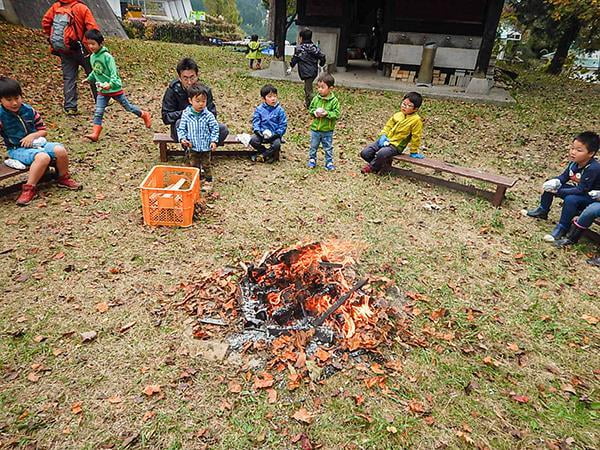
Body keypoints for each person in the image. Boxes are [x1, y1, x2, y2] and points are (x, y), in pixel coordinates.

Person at [0, 77, 81, 206]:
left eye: (17, 98)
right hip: (17, 149)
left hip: (38, 143)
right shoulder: (1, 116)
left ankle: (63, 178)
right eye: (9, 100)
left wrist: (33, 136)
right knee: (43, 158)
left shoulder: (29, 110)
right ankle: (29, 188)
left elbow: (43, 130)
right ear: (1, 100)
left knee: (60, 150)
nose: (14, 103)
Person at [523, 131, 600, 241]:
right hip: (580, 192)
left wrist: (559, 192)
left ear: (591, 153)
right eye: (572, 148)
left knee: (571, 199)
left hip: (592, 197)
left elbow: (582, 189)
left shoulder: (593, 168)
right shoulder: (574, 163)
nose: (573, 152)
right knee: (551, 186)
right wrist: (555, 182)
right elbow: (564, 177)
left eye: (579, 150)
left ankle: (562, 228)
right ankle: (542, 210)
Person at [82, 29, 151, 142]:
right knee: (98, 111)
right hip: (102, 91)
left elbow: (114, 74)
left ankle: (144, 115)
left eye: (93, 44)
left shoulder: (107, 57)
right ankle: (95, 133)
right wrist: (89, 79)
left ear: (100, 43)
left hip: (114, 89)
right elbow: (96, 71)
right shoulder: (92, 57)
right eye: (88, 44)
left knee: (128, 108)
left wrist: (110, 84)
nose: (91, 46)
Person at [42, 0, 99, 115]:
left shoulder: (56, 6)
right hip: (83, 48)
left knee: (69, 78)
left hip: (65, 49)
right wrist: (93, 44)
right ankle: (100, 102)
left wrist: (52, 37)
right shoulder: (81, 8)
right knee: (93, 74)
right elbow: (92, 27)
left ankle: (70, 107)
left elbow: (45, 22)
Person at [161, 58, 228, 145]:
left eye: (192, 77)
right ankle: (190, 152)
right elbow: (166, 117)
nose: (189, 82)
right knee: (179, 123)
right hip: (182, 127)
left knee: (222, 129)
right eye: (185, 78)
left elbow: (213, 114)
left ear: (197, 75)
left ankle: (205, 151)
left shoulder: (204, 91)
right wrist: (187, 113)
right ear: (180, 78)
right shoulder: (173, 90)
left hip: (203, 126)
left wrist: (202, 115)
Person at [360, 91, 425, 174]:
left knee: (381, 153)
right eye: (404, 104)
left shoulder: (416, 120)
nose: (405, 107)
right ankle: (381, 165)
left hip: (396, 145)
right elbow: (388, 126)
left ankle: (372, 167)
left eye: (409, 106)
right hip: (386, 140)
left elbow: (416, 136)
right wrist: (383, 136)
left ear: (415, 109)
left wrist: (414, 151)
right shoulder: (398, 115)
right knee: (365, 153)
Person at [177, 83, 219, 183]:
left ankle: (208, 180)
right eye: (198, 101)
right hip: (193, 146)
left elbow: (215, 128)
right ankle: (196, 179)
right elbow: (181, 128)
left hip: (205, 146)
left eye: (203, 101)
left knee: (206, 164)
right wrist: (183, 139)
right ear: (190, 101)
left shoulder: (208, 115)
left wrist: (214, 140)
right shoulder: (186, 114)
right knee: (193, 164)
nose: (201, 104)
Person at [307, 73, 340, 171]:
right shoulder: (316, 99)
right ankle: (312, 159)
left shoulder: (334, 101)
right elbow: (311, 109)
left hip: (327, 130)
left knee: (328, 147)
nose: (320, 89)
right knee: (313, 145)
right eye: (318, 87)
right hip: (315, 128)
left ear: (331, 88)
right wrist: (314, 113)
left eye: (322, 87)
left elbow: (336, 114)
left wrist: (327, 114)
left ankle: (329, 162)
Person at [287, 28, 326, 108]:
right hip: (314, 71)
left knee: (309, 91)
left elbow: (295, 59)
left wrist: (291, 67)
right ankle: (308, 104)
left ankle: (315, 106)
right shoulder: (314, 47)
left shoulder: (299, 48)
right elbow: (322, 57)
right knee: (306, 88)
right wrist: (321, 64)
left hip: (306, 72)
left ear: (301, 37)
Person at [250, 84, 287, 163]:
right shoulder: (259, 109)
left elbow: (283, 125)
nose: (273, 99)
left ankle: (264, 155)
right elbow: (256, 121)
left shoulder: (280, 110)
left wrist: (277, 134)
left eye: (274, 96)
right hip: (262, 133)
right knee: (253, 140)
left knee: (276, 144)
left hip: (274, 134)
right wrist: (258, 131)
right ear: (264, 99)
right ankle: (266, 152)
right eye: (270, 97)